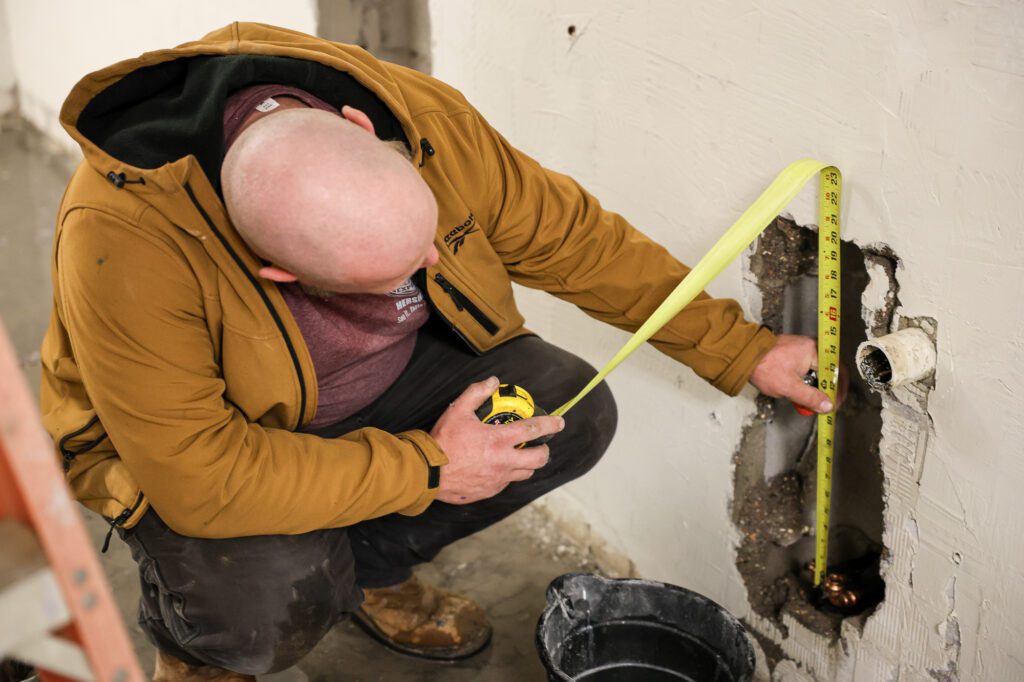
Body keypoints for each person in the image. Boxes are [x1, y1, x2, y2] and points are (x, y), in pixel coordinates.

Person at [40, 22, 836, 681]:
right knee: (262, 618)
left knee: (567, 410)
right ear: (275, 270)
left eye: (426, 242)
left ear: (362, 132)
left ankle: (365, 570)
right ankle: (198, 653)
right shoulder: (124, 243)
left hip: (368, 395)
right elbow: (199, 476)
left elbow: (577, 244)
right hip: (223, 444)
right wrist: (429, 466)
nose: (429, 268)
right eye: (383, 277)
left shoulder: (414, 119)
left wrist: (742, 349)